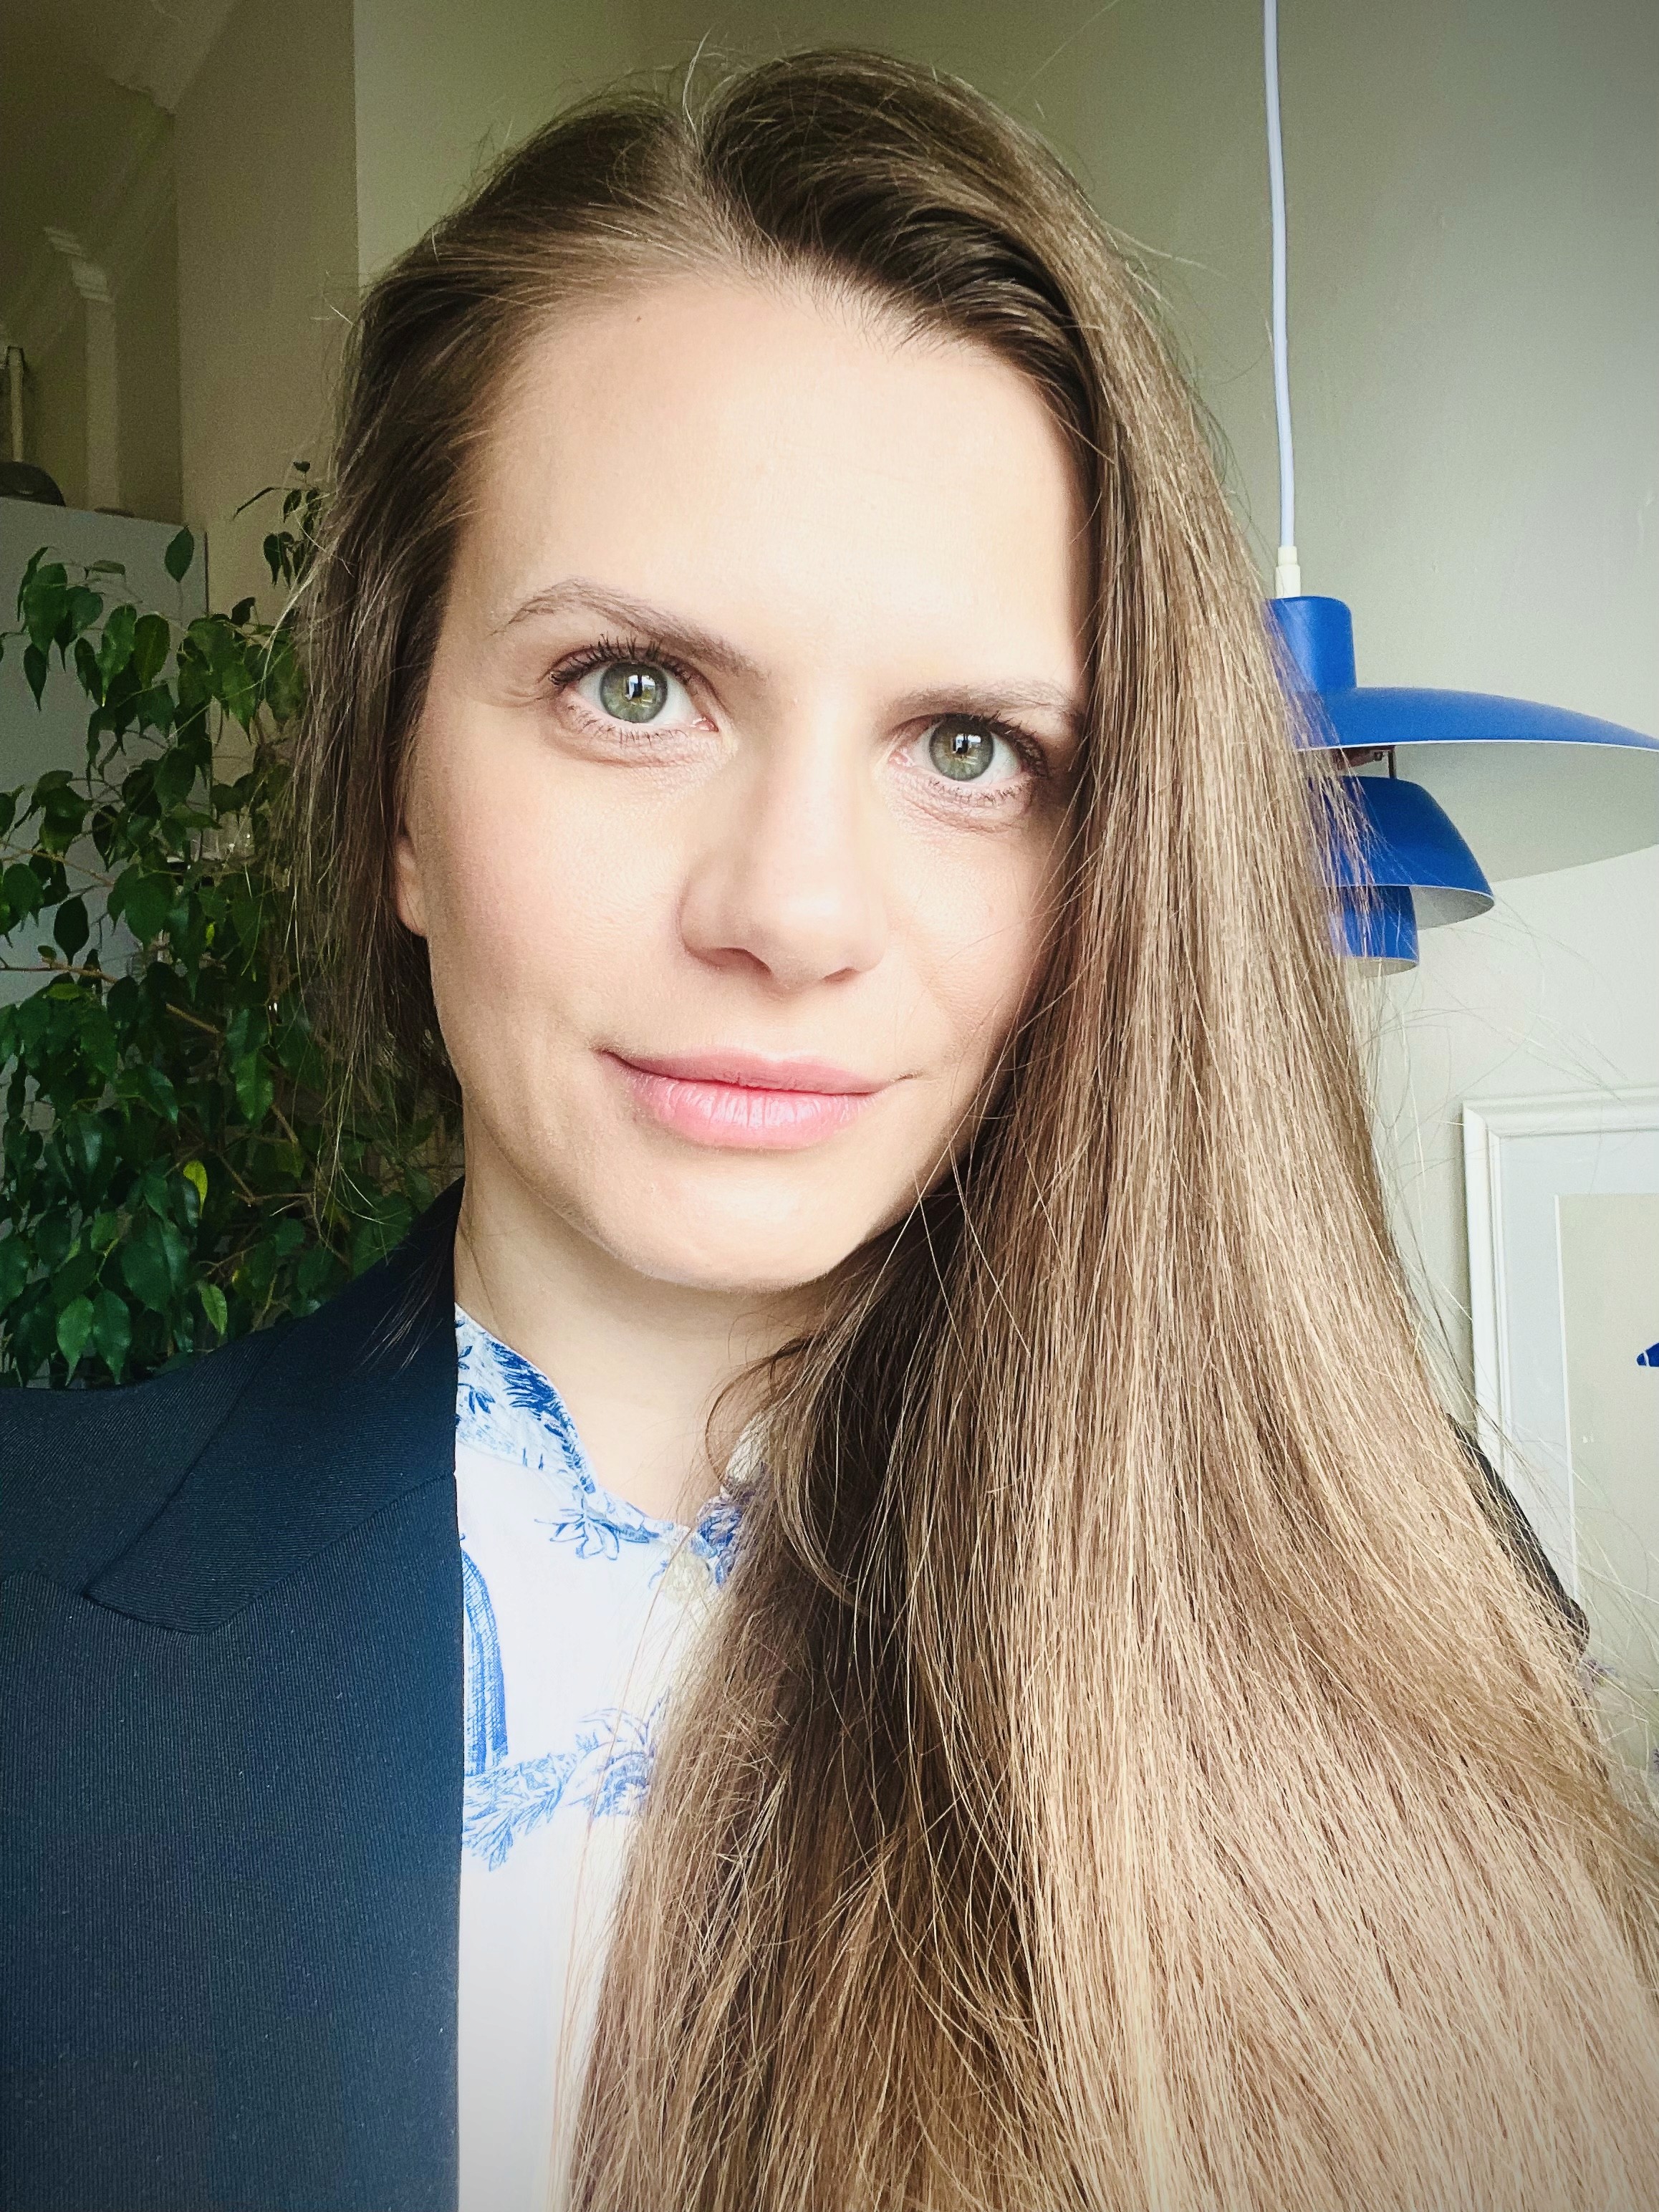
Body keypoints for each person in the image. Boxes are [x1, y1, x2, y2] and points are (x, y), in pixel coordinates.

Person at [4, 47, 1657, 2212]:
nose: (789, 913)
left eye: (970, 747)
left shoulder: (1411, 1594)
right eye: (631, 687)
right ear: (397, 790)